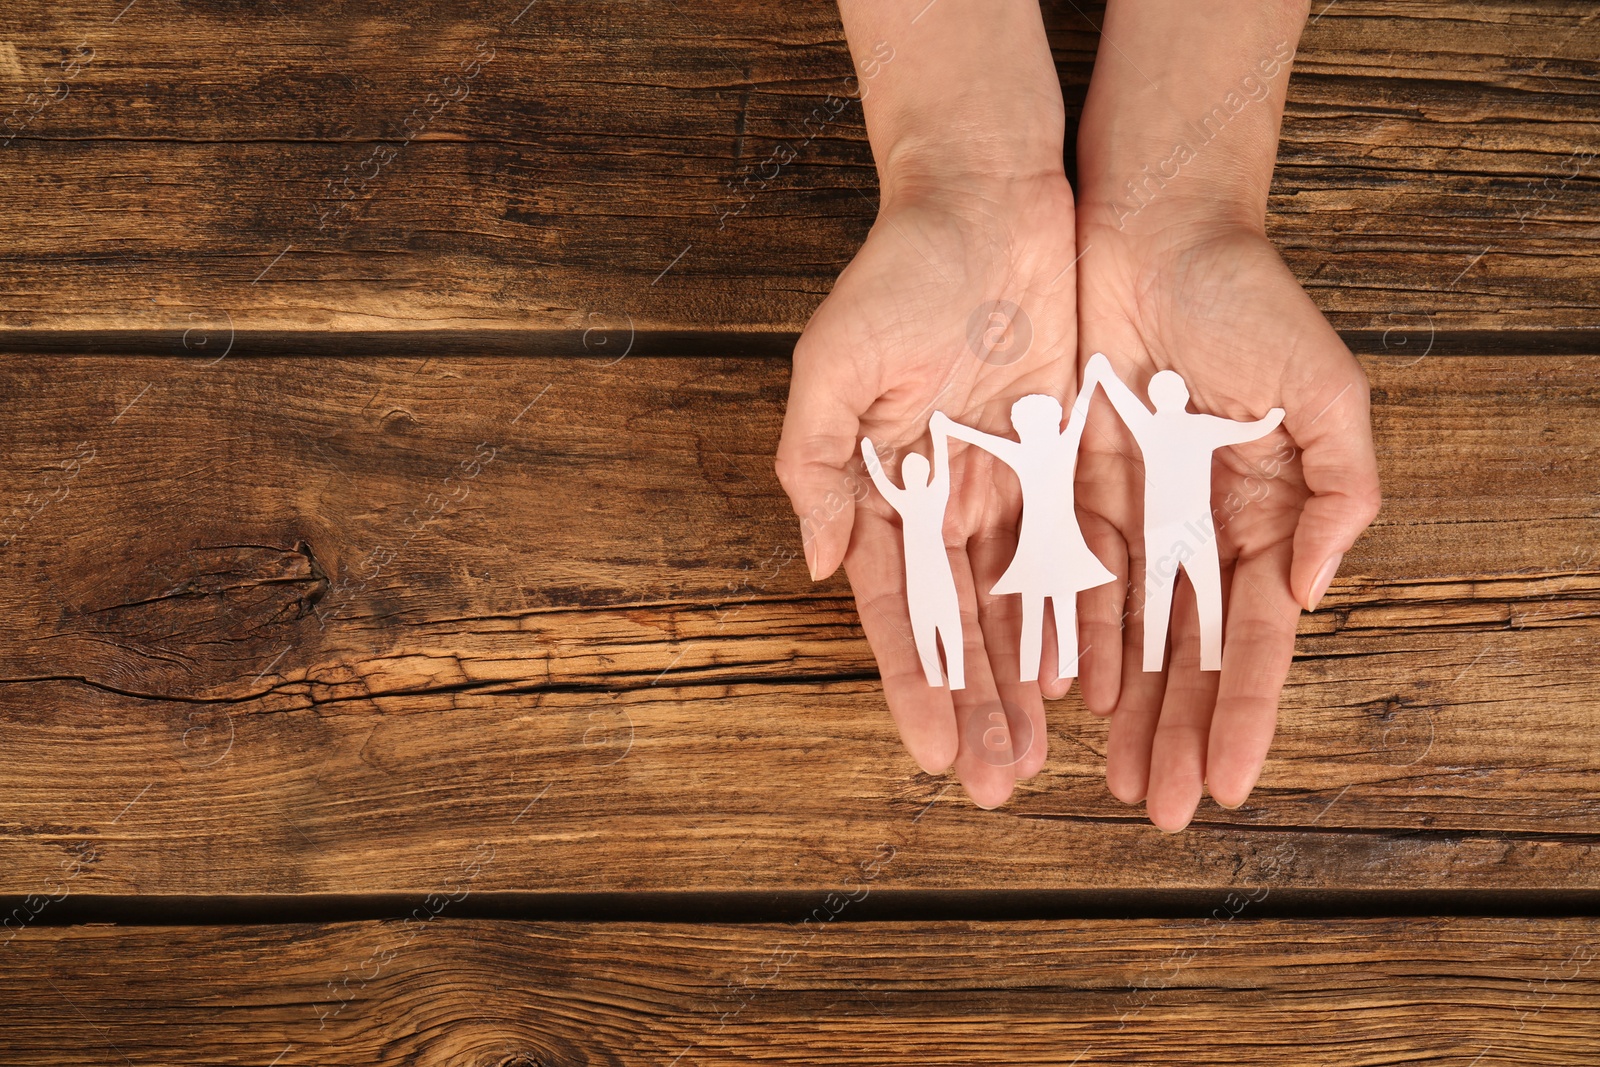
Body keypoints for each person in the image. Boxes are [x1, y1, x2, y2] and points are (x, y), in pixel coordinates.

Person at [774, 0, 1381, 829]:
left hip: (1181, 525)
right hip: (1092, 531)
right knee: (1150, 597)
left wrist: (1191, 191)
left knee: (1179, 590)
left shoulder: (1118, 433)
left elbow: (1129, 403)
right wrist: (961, 164)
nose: (1163, 398)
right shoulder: (1042, 445)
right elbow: (1047, 413)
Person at [1079, 352, 1285, 674]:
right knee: (1206, 590)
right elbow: (1247, 431)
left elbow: (1122, 400)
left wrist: (1105, 374)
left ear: (1153, 398)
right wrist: (1272, 419)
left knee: (1160, 593)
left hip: (1162, 525)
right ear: (1185, 395)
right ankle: (1209, 657)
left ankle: (1153, 660)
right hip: (1194, 525)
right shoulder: (1201, 426)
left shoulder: (1148, 424)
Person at [930, 390, 1114, 685]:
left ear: (1023, 427)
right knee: (1058, 609)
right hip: (1052, 546)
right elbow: (1079, 415)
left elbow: (982, 440)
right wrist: (1093, 377)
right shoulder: (1058, 446)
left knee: (1039, 611)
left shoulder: (1029, 451)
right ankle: (1046, 668)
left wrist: (948, 427)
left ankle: (1039, 668)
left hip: (1045, 546)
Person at [860, 434, 965, 690]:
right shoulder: (931, 495)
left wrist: (869, 453)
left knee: (931, 622)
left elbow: (882, 481)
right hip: (929, 572)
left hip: (924, 572)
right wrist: (938, 436)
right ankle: (946, 679)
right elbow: (941, 469)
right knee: (939, 620)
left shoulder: (909, 499)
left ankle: (945, 678)